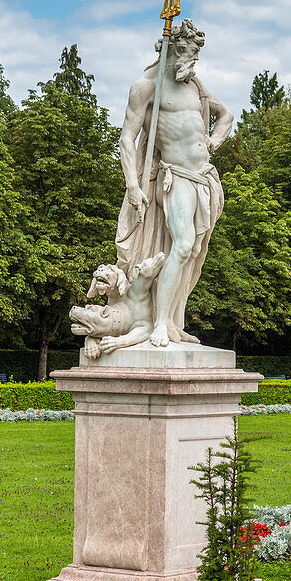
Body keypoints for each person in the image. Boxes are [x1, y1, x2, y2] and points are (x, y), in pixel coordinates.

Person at [117, 19, 233, 347]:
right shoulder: (147, 85)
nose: (193, 62)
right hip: (176, 177)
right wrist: (132, 185)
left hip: (204, 178)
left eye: (197, 55)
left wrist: (213, 141)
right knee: (182, 246)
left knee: (194, 251)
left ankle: (173, 322)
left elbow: (226, 115)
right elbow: (127, 138)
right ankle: (158, 324)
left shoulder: (195, 85)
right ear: (172, 48)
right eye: (189, 53)